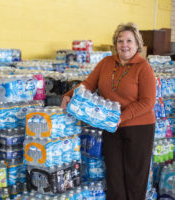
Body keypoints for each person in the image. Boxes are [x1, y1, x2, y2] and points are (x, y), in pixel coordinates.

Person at [61, 22, 156, 200]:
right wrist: (69, 95)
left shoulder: (143, 67)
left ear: (137, 44)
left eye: (129, 40)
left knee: (135, 178)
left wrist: (121, 117)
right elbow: (88, 85)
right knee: (114, 176)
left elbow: (147, 102)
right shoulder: (106, 62)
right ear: (115, 44)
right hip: (111, 126)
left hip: (139, 128)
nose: (124, 45)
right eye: (120, 41)